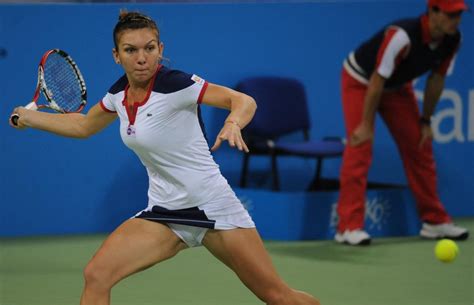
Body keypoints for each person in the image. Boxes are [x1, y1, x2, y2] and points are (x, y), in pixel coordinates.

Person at [10, 10, 321, 305]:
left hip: (212, 208)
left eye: (149, 48)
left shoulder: (177, 85)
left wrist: (232, 122)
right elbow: (83, 125)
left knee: (277, 297)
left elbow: (243, 100)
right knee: (97, 274)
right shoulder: (117, 95)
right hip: (166, 212)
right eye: (131, 50)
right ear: (117, 56)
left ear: (160, 49)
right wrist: (30, 118)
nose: (142, 58)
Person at [335, 0, 470, 246]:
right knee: (360, 146)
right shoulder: (402, 36)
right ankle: (348, 227)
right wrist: (365, 124)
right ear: (433, 12)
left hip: (396, 88)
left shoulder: (453, 39)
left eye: (459, 15)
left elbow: (436, 80)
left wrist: (426, 120)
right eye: (451, 15)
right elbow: (376, 81)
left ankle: (434, 220)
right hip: (361, 81)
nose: (456, 20)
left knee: (420, 144)